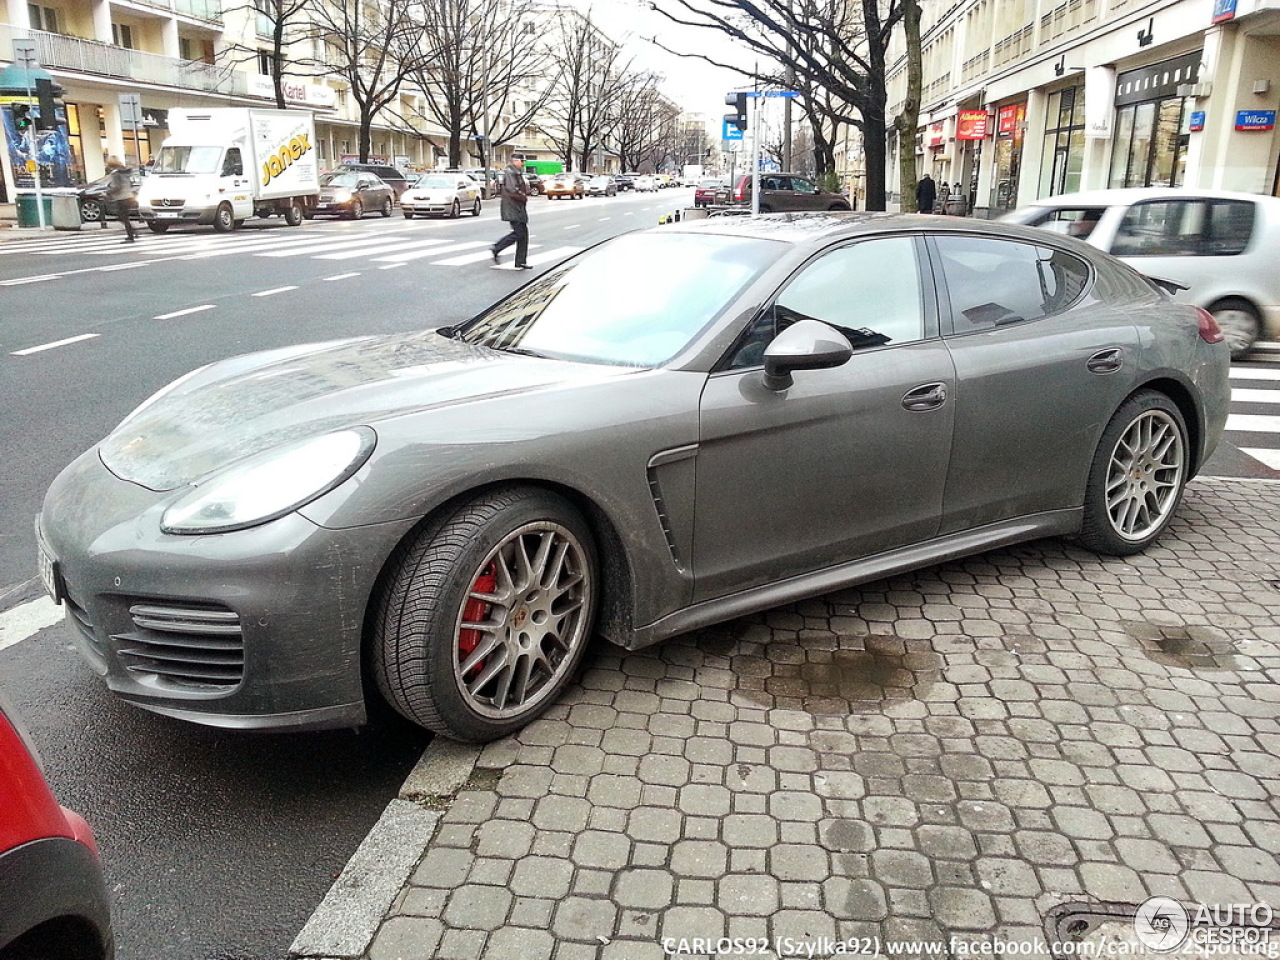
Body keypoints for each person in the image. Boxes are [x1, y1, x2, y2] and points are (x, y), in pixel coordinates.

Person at [490, 156, 531, 269]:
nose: (523, 164)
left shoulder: (515, 172)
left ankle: (520, 261)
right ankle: (497, 247)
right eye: (521, 161)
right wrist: (522, 196)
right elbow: (512, 189)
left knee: (523, 234)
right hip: (513, 207)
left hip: (517, 207)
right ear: (515, 161)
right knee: (519, 233)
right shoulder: (510, 172)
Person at [103, 156, 137, 243]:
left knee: (122, 217)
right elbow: (130, 183)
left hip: (121, 197)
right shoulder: (125, 171)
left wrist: (108, 192)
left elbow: (117, 186)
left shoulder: (116, 173)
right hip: (128, 196)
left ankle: (131, 235)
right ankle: (133, 233)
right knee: (124, 217)